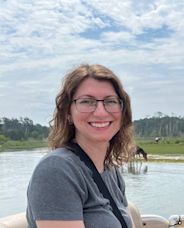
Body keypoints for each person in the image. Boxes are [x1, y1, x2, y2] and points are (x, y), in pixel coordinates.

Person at [26, 64, 135, 228]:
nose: (100, 112)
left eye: (110, 101)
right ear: (68, 113)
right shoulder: (56, 170)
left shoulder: (111, 170)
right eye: (87, 101)